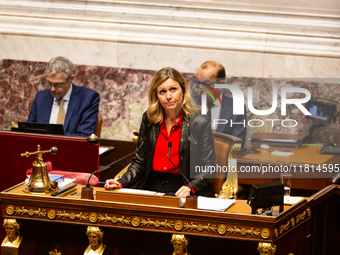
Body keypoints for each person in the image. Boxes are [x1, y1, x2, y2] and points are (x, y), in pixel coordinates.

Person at [105, 67, 215, 198]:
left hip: (184, 187)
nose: (168, 96)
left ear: (183, 91)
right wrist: (120, 183)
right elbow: (140, 161)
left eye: (173, 89)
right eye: (162, 91)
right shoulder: (149, 119)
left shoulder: (199, 122)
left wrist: (191, 187)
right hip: (152, 186)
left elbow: (208, 166)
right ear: (156, 95)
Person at [27, 56, 100, 137]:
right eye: (50, 83)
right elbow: (29, 131)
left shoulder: (88, 98)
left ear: (71, 78)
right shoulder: (41, 97)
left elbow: (84, 136)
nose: (52, 89)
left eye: (58, 84)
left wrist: (51, 136)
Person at [194, 61, 247, 148]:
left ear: (221, 85)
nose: (200, 88)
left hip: (224, 159)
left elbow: (237, 146)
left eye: (206, 83)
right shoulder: (190, 104)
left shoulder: (237, 108)